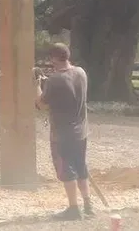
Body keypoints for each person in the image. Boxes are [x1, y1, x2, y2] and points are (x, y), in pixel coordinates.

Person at [36, 43, 93, 220]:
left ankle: (73, 208)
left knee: (66, 169)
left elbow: (41, 104)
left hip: (62, 133)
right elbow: (67, 90)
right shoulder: (81, 72)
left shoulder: (54, 80)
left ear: (53, 58)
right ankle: (88, 205)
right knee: (81, 166)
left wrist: (37, 84)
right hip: (81, 130)